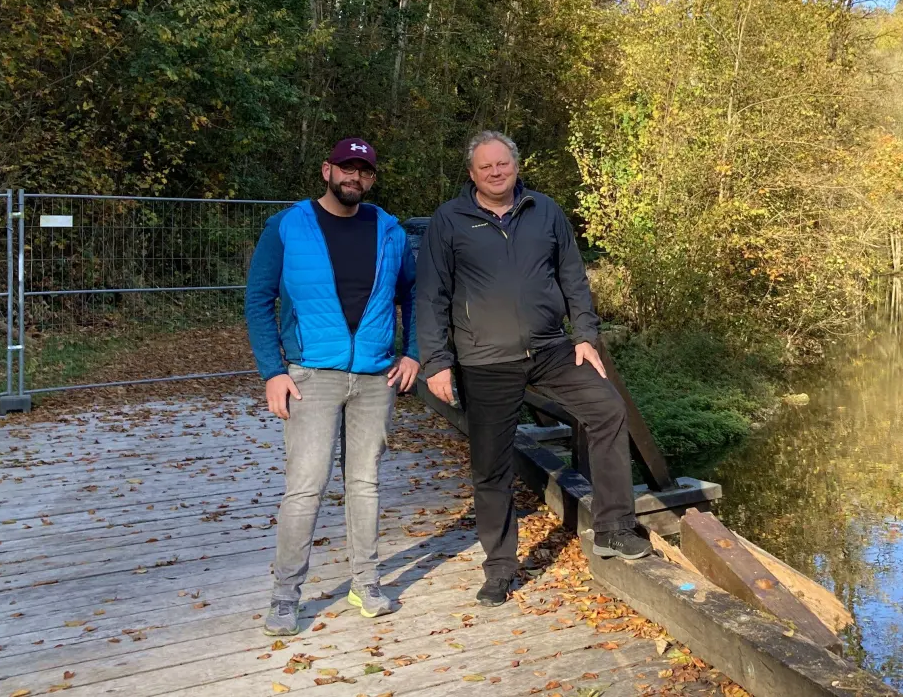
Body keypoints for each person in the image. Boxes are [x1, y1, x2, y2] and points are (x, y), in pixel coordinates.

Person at [418, 130, 651, 608]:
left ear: (516, 165)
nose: (496, 172)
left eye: (503, 164)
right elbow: (431, 296)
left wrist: (585, 334)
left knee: (607, 410)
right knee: (491, 466)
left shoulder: (545, 211)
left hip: (550, 349)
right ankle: (500, 568)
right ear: (472, 174)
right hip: (485, 361)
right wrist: (436, 362)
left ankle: (614, 528)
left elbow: (572, 277)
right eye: (486, 167)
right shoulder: (449, 221)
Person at [245, 137, 421, 636]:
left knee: (365, 484)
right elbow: (258, 300)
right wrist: (272, 371)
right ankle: (284, 596)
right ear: (327, 170)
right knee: (305, 489)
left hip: (374, 377)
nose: (354, 177)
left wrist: (413, 352)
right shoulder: (286, 226)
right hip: (310, 376)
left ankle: (366, 583)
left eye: (364, 170)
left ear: (372, 177)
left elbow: (415, 293)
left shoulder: (389, 230)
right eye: (346, 168)